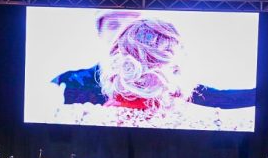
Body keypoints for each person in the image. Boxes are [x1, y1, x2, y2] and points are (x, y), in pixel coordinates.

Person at [53, 10, 256, 111]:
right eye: (114, 23)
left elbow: (221, 99)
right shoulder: (73, 80)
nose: (123, 29)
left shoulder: (174, 84)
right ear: (100, 32)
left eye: (131, 22)